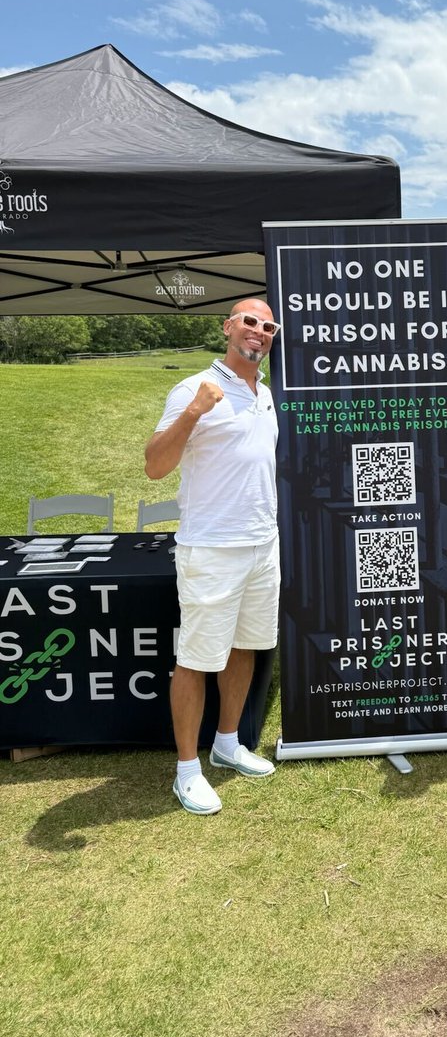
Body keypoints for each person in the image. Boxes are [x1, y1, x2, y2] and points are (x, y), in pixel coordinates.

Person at [145, 299, 281, 815]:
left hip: (261, 544)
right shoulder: (194, 388)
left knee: (245, 648)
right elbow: (155, 465)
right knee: (196, 661)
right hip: (211, 548)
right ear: (228, 328)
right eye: (249, 322)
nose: (258, 332)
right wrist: (194, 412)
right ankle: (186, 771)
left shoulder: (263, 393)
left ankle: (226, 744)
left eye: (267, 327)